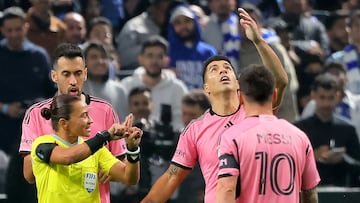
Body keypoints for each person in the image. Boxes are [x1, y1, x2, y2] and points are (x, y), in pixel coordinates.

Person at [140, 8, 288, 203]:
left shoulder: (255, 109)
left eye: (228, 68)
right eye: (214, 69)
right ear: (206, 87)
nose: (223, 71)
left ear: (237, 82)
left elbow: (280, 81)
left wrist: (258, 41)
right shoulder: (195, 130)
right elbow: (171, 177)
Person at [19, 43, 127, 203]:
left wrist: (111, 169)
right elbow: (29, 175)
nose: (73, 81)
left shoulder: (105, 110)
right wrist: (57, 156)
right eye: (66, 74)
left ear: (85, 74)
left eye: (77, 73)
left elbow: (123, 166)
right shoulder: (36, 114)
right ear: (54, 76)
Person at [216, 64, 320, 203]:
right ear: (275, 95)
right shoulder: (300, 137)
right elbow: (310, 193)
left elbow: (227, 188)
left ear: (240, 97)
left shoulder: (232, 137)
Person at [30, 94, 142, 203]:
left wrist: (132, 149)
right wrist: (106, 136)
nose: (91, 121)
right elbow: (68, 157)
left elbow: (129, 178)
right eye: (84, 115)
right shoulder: (42, 144)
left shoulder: (97, 150)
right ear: (64, 123)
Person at [294, 73, 360, 187]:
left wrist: (343, 158)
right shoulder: (299, 129)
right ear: (313, 95)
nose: (326, 103)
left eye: (330, 98)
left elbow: (357, 164)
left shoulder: (347, 129)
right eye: (322, 97)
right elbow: (289, 164)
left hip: (341, 192)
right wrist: (313, 157)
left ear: (338, 97)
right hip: (309, 192)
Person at [120, 35, 188, 131]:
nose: (154, 61)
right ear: (141, 59)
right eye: (150, 56)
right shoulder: (126, 86)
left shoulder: (178, 88)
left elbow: (181, 123)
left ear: (166, 60)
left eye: (159, 56)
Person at [168, 4, 217, 90]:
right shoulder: (168, 53)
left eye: (187, 21)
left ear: (195, 23)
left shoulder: (208, 51)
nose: (183, 26)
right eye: (178, 23)